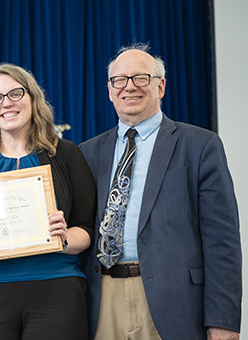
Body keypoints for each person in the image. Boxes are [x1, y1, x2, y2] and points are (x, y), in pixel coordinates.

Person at [79, 43, 241, 340]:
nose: (130, 87)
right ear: (110, 89)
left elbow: (223, 242)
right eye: (120, 80)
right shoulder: (88, 153)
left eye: (141, 78)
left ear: (161, 86)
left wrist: (223, 321)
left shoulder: (200, 145)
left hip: (174, 303)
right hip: (101, 300)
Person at [0, 63, 96, 340]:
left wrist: (62, 238)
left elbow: (86, 228)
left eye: (15, 93)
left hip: (56, 290)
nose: (6, 104)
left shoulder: (66, 154)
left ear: (33, 98)